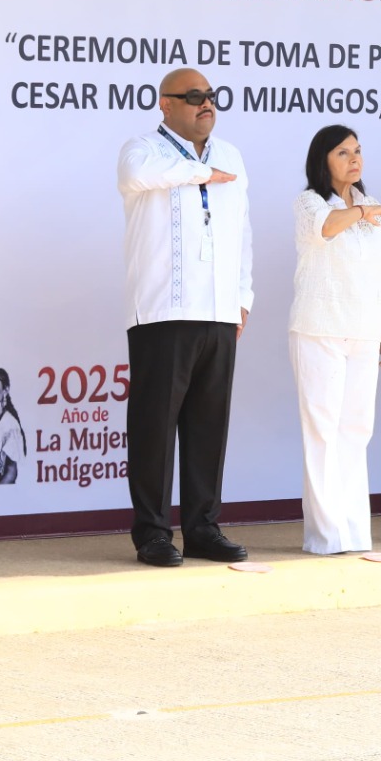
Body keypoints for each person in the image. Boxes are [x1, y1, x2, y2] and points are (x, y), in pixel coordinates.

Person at [117, 68, 253, 567]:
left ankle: (202, 528)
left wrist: (243, 294)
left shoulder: (231, 155)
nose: (205, 104)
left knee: (208, 426)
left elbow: (242, 228)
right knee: (155, 425)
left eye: (211, 96)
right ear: (165, 104)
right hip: (163, 310)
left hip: (218, 310)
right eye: (193, 97)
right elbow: (135, 179)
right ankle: (153, 533)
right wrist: (199, 173)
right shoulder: (142, 149)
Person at [289, 125, 381, 554]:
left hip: (364, 329)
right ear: (323, 160)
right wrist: (359, 214)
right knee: (322, 430)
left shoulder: (372, 207)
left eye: (358, 151)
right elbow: (328, 228)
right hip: (319, 328)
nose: (354, 159)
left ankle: (354, 532)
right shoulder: (309, 202)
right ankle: (324, 535)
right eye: (342, 152)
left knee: (357, 429)